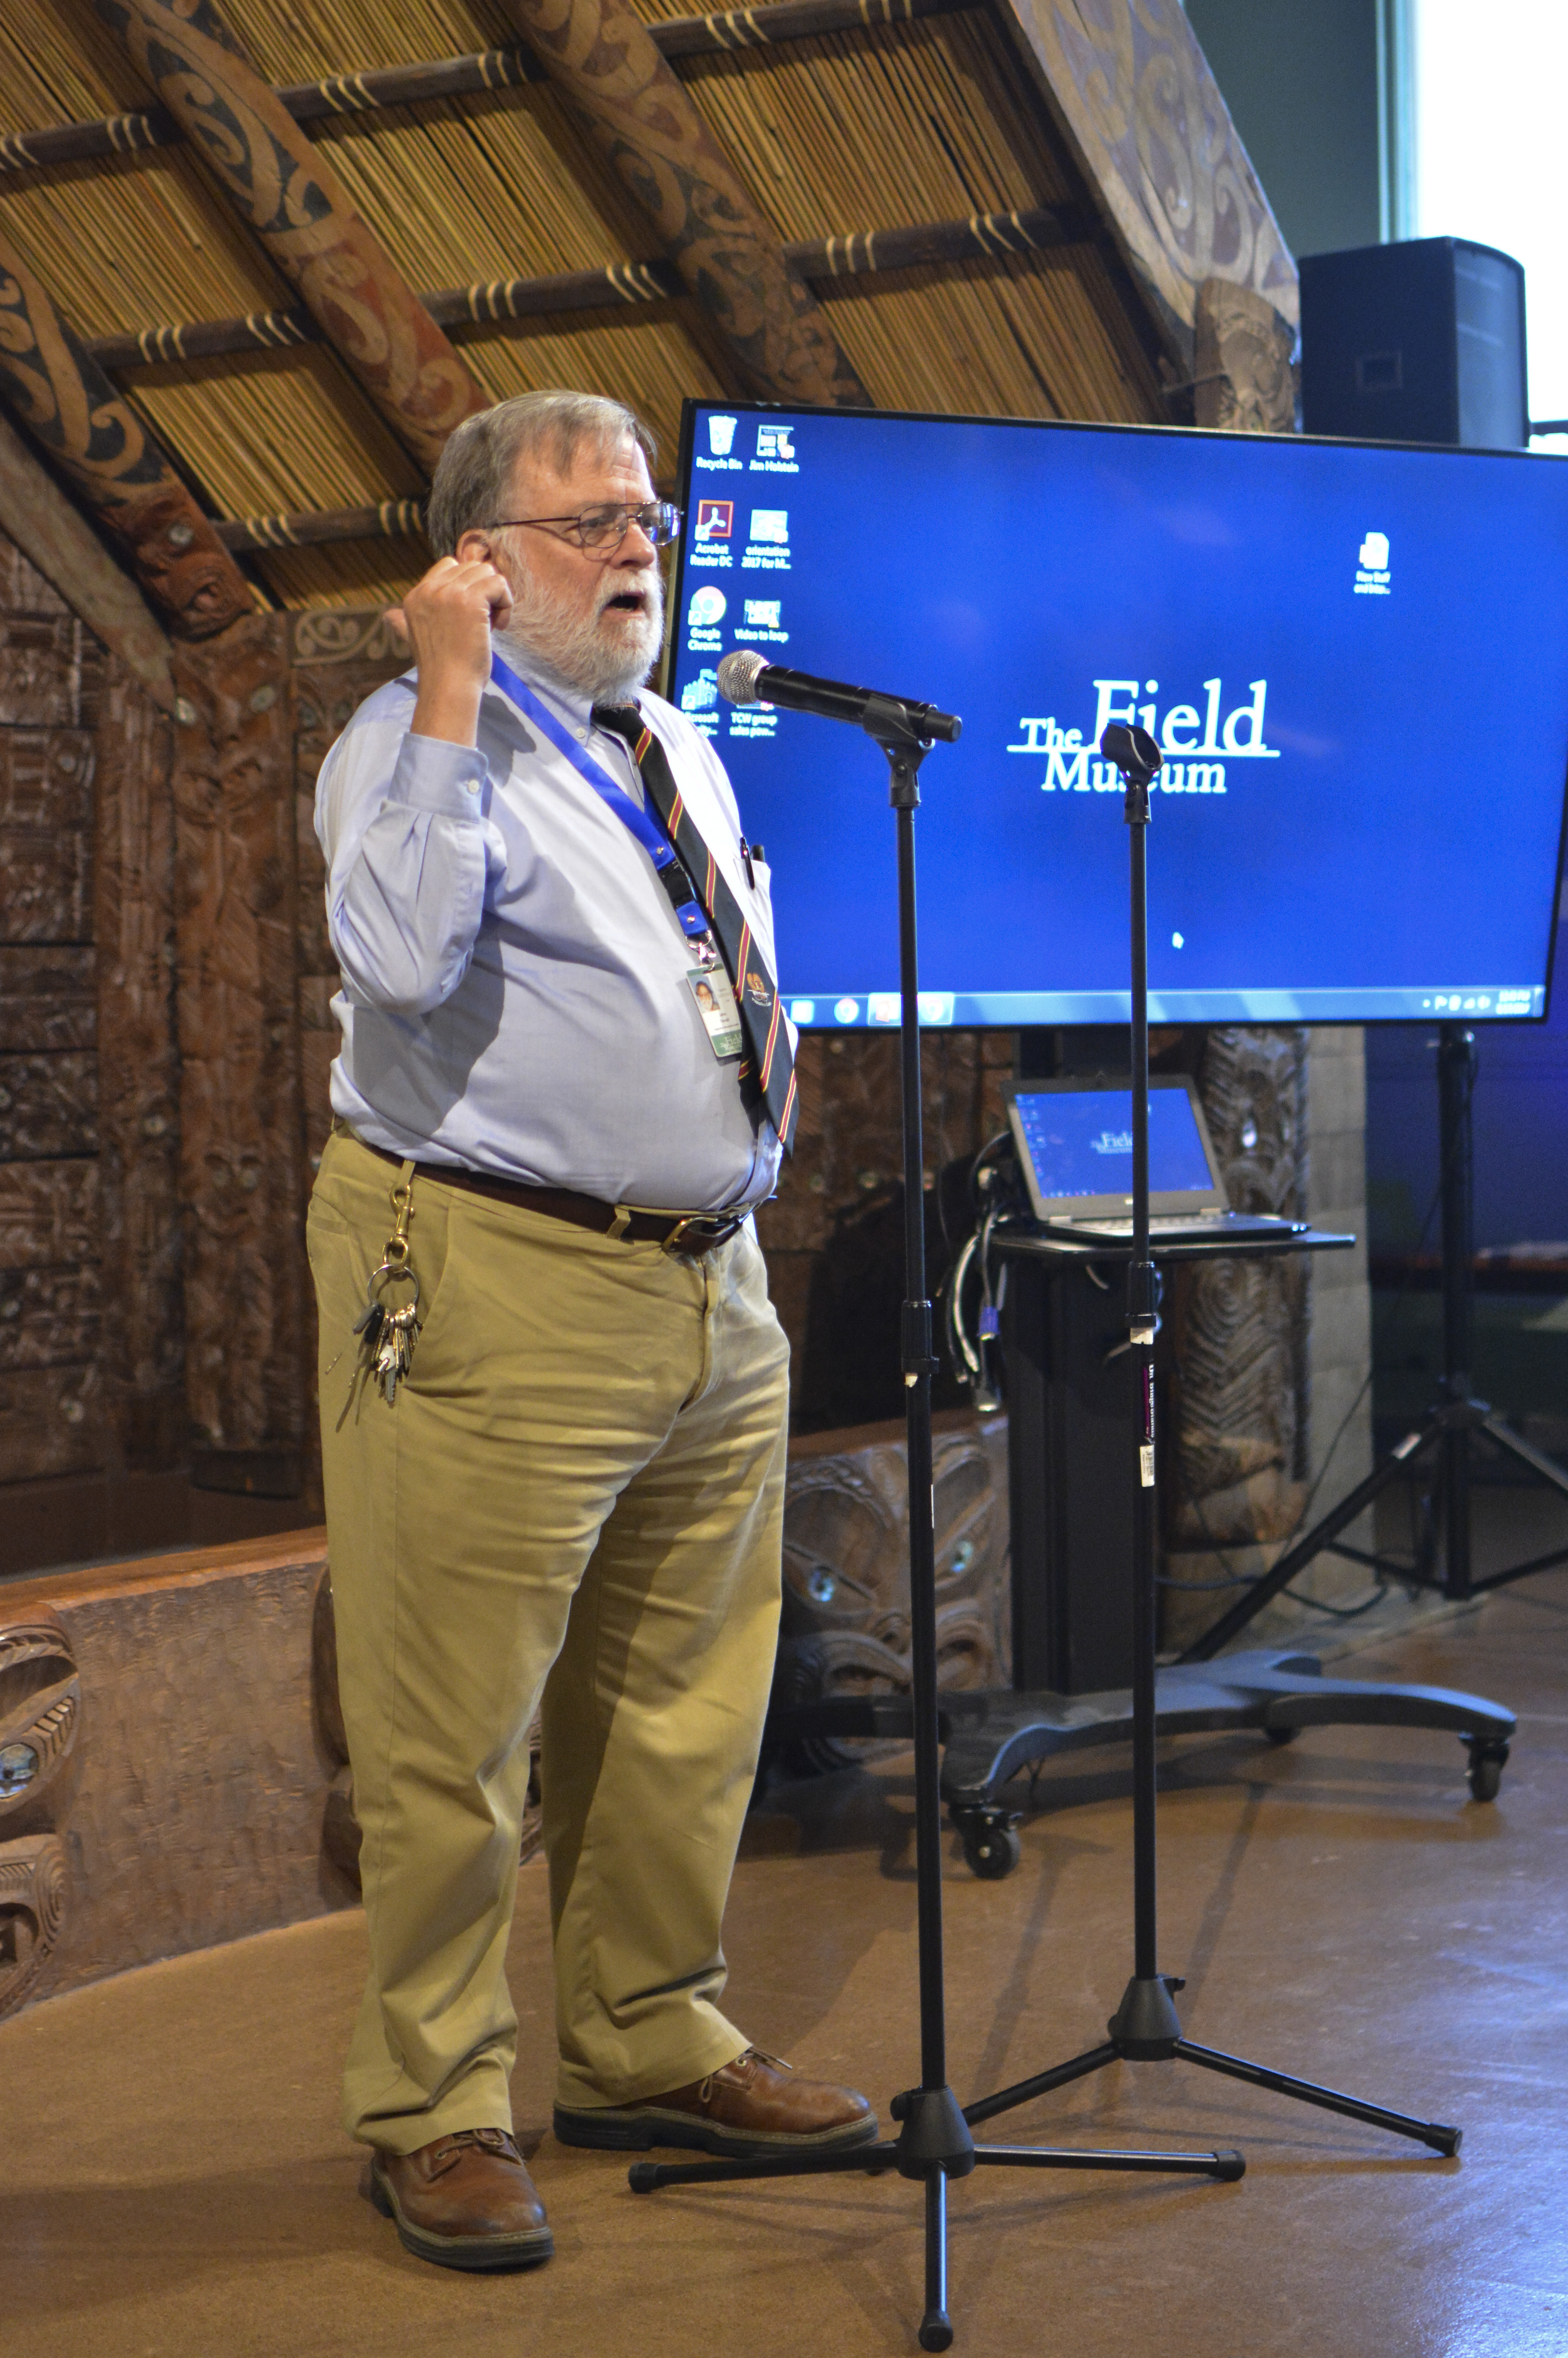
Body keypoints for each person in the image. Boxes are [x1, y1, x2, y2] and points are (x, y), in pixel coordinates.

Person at [307, 389, 875, 2274]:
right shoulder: (409, 741)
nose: (639, 547)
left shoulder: (672, 742)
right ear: (478, 560)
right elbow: (398, 960)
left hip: (706, 1281)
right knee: (451, 1726)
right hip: (496, 1273)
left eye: (649, 518)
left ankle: (646, 2037)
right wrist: (451, 686)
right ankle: (435, 2105)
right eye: (589, 524)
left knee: (681, 1704)